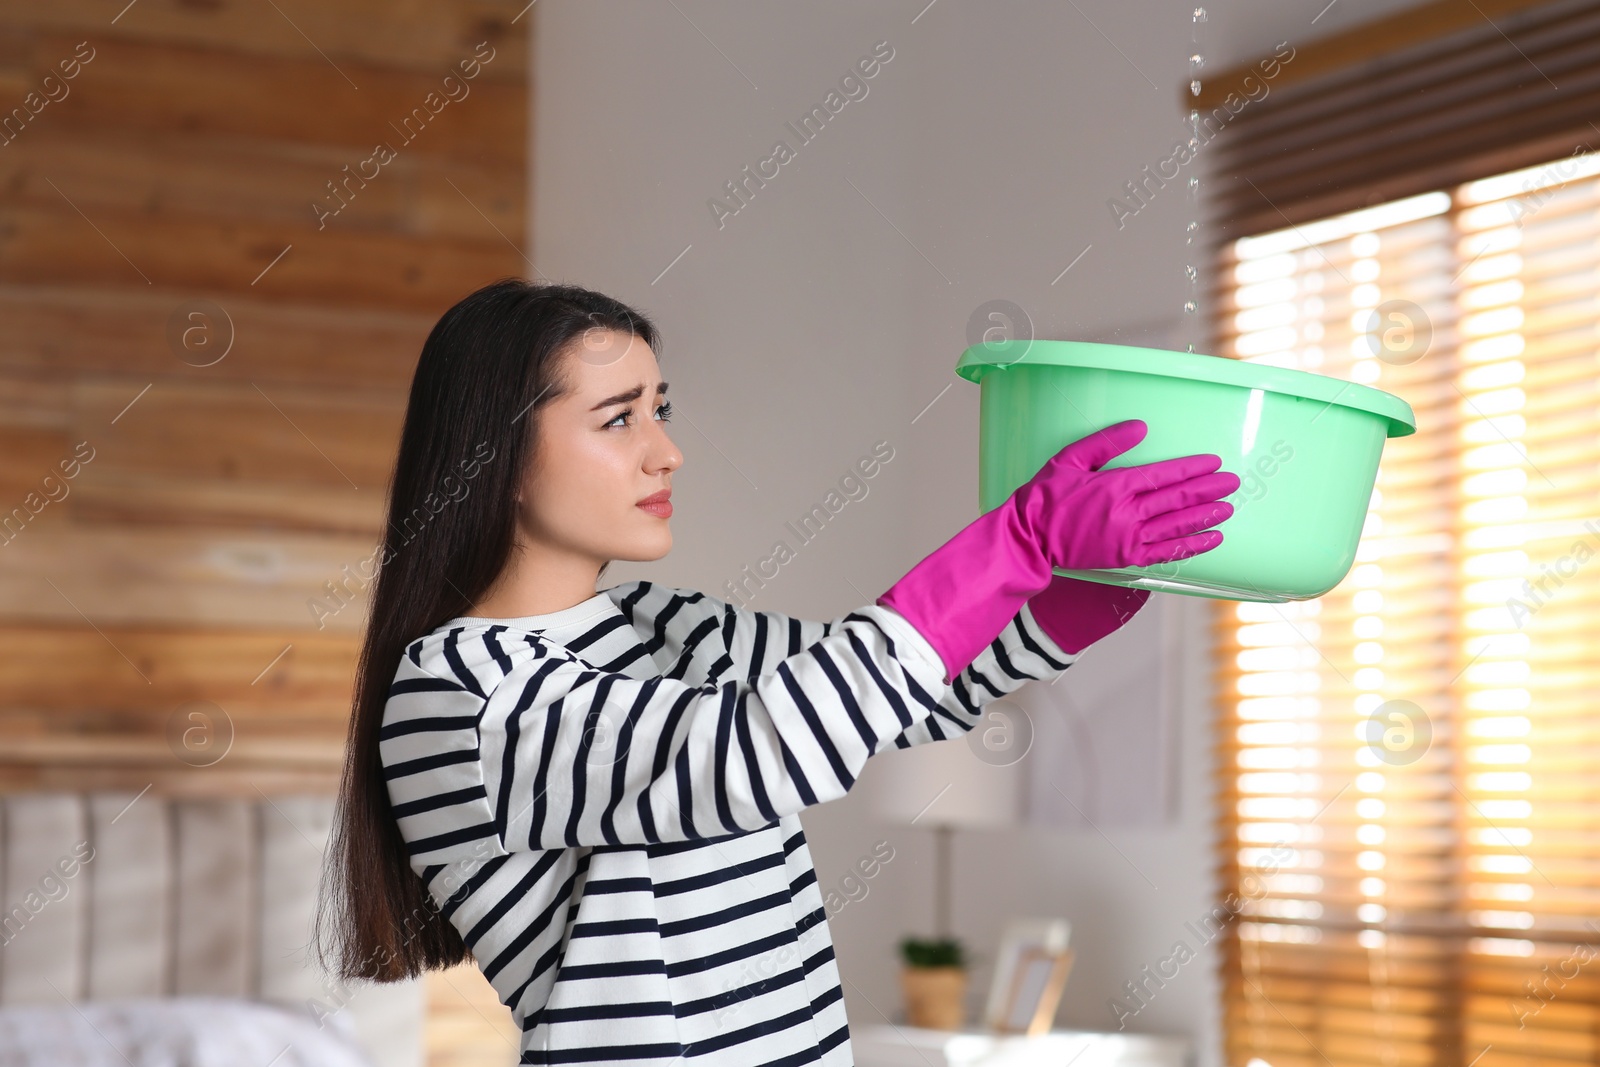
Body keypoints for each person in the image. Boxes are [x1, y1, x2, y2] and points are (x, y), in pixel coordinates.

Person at [314, 278, 1239, 1066]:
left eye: (660, 407)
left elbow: (896, 695)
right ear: (498, 459)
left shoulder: (665, 624)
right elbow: (754, 753)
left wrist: (1068, 598)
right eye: (618, 417)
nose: (665, 449)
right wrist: (1016, 543)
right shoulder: (460, 692)